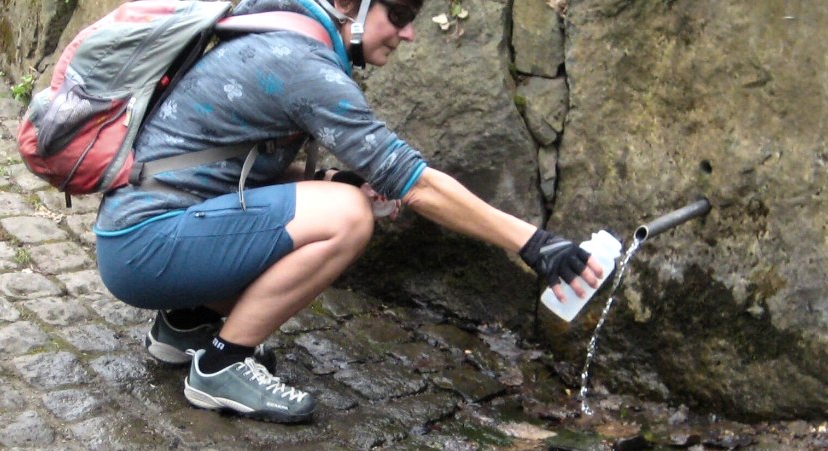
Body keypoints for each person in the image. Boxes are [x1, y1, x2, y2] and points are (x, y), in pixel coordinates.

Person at [94, 0, 604, 423]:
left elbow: (231, 174)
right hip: (146, 247)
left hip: (140, 238)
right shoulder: (300, 63)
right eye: (399, 13)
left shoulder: (276, 31)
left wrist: (334, 179)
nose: (408, 34)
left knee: (344, 197)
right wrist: (533, 243)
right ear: (349, 6)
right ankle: (221, 365)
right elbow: (416, 182)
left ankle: (185, 326)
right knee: (348, 217)